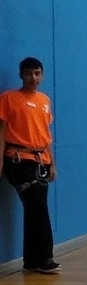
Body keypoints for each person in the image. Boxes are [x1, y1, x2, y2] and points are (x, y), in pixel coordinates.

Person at [0, 57, 60, 274]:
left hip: (41, 161)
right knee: (38, 208)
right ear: (21, 75)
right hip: (18, 160)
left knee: (35, 209)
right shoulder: (8, 98)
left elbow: (46, 135)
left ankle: (31, 261)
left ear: (42, 75)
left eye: (37, 73)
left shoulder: (44, 100)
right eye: (28, 73)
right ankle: (46, 258)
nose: (33, 78)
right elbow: (2, 132)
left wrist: (52, 163)